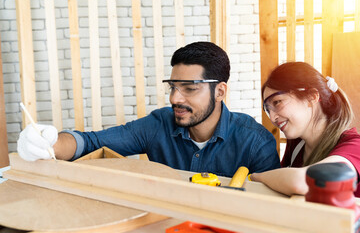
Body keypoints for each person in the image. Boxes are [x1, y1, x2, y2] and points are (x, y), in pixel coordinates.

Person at [17, 41, 280, 177]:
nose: (175, 98)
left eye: (189, 88)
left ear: (220, 91)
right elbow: (90, 143)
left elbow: (272, 213)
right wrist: (49, 143)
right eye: (173, 86)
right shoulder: (158, 124)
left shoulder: (256, 142)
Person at [250, 62, 360, 196]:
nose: (272, 118)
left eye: (277, 102)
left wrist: (257, 177)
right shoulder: (297, 144)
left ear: (311, 97)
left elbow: (301, 182)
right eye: (268, 110)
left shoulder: (355, 147)